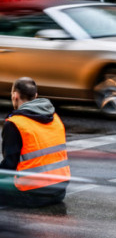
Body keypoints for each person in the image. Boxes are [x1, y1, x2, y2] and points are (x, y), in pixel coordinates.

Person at [0, 77, 70, 207]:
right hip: (59, 191)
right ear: (36, 96)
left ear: (15, 96)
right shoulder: (55, 118)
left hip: (32, 194)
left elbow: (9, 166)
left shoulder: (15, 124)